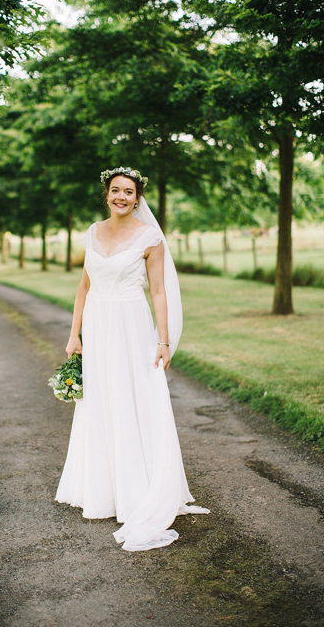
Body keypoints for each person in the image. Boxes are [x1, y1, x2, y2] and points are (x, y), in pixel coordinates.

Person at [56, 166, 208, 551]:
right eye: (115, 190)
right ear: (106, 195)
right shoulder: (92, 231)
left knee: (134, 400)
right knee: (102, 401)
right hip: (98, 325)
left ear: (137, 198)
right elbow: (83, 288)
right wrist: (74, 334)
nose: (121, 196)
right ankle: (103, 491)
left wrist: (163, 340)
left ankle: (138, 491)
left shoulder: (150, 237)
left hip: (132, 327)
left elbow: (158, 291)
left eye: (128, 192)